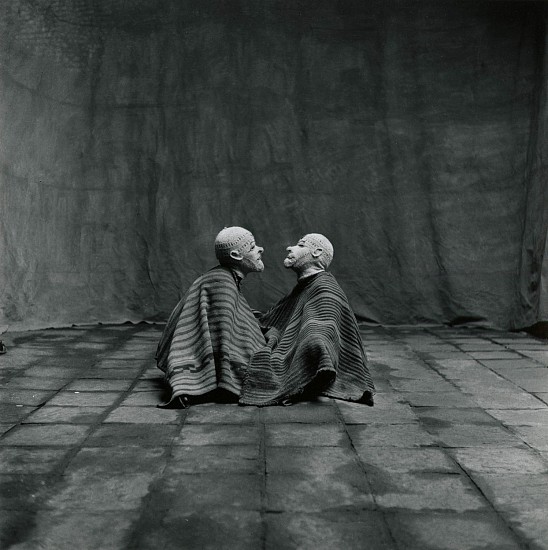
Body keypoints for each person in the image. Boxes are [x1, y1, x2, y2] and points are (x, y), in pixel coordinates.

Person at [240, 233, 375, 407]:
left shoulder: (324, 288)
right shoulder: (307, 285)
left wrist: (317, 350)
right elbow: (274, 318)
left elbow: (321, 330)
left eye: (300, 245)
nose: (290, 248)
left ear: (317, 252)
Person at [156, 227, 266, 408]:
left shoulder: (225, 277)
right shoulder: (222, 283)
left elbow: (235, 320)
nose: (260, 249)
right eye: (252, 247)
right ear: (237, 255)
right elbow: (223, 335)